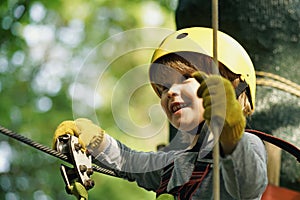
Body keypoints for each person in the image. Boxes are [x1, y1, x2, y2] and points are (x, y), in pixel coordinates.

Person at [53, 27, 268, 200]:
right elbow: (128, 162)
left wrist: (231, 136)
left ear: (230, 88)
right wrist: (94, 139)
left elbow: (248, 186)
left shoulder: (246, 145)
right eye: (163, 88)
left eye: (185, 78)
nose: (171, 92)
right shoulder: (173, 164)